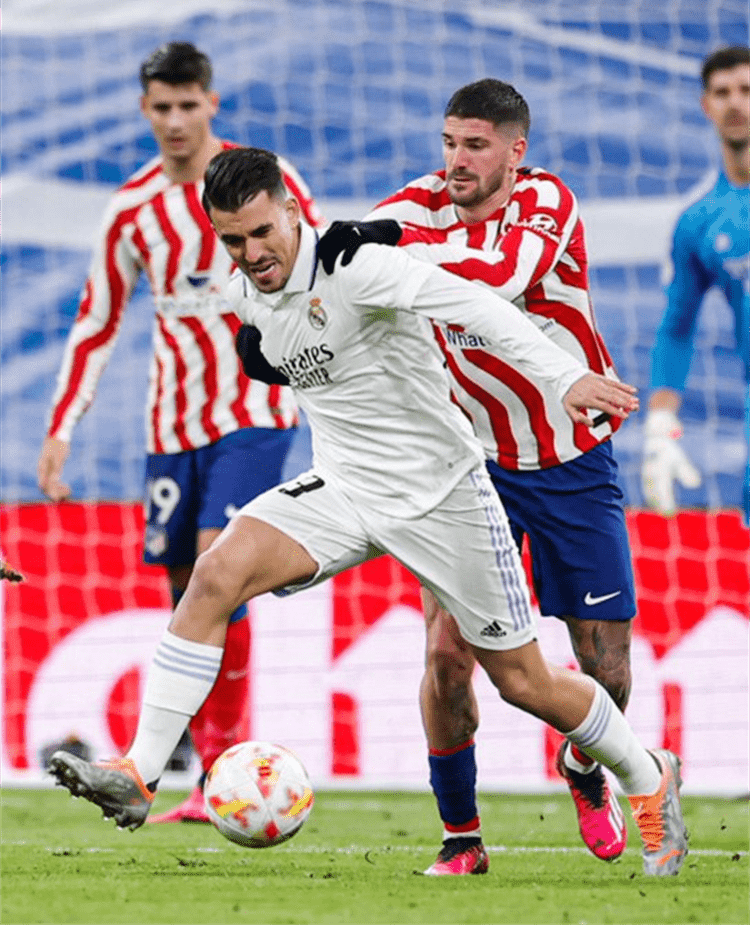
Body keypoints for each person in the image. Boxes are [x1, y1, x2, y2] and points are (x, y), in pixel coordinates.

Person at [48, 146, 688, 879]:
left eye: (263, 232)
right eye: (234, 240)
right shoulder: (242, 292)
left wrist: (564, 375)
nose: (253, 253)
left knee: (524, 682)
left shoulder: (360, 267)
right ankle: (141, 771)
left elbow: (473, 304)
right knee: (215, 572)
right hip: (345, 490)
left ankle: (646, 777)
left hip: (444, 496)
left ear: (293, 211)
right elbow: (278, 341)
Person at [344, 78, 641, 874]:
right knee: (445, 655)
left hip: (569, 456)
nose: (456, 163)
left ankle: (584, 767)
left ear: (517, 151)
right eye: (448, 143)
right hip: (468, 466)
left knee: (606, 668)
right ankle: (463, 839)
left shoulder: (548, 202)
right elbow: (340, 261)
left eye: (475, 146)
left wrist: (388, 245)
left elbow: (496, 278)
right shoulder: (416, 204)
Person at [36, 43, 323, 824]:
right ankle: (199, 763)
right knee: (185, 590)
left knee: (215, 562)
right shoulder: (130, 211)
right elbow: (95, 321)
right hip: (172, 424)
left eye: (187, 105)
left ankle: (215, 774)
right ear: (145, 111)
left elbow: (323, 271)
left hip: (254, 412)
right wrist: (63, 427)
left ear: (211, 104)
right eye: (160, 108)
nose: (174, 121)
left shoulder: (268, 180)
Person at [642, 46, 749, 525]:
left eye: (747, 91)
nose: (736, 104)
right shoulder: (699, 220)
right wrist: (661, 422)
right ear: (706, 105)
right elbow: (677, 328)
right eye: (722, 92)